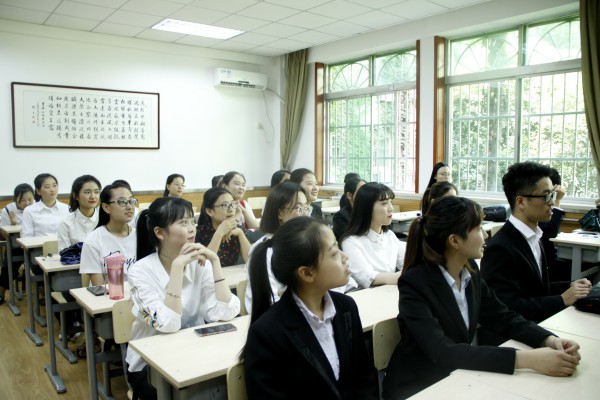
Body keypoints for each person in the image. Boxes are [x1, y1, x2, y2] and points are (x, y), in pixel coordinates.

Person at [382, 196, 582, 399]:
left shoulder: (469, 271)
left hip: (458, 376)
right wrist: (528, 360)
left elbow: (502, 317)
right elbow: (442, 351)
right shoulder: (415, 283)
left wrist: (548, 340)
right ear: (455, 241)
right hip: (419, 387)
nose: (486, 235)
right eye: (478, 229)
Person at [242, 217, 379, 400]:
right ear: (307, 273)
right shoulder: (267, 333)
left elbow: (364, 378)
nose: (344, 256)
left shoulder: (346, 307)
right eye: (334, 253)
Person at [126, 197, 240, 400]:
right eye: (183, 222)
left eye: (192, 221)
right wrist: (178, 267)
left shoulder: (200, 263)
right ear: (160, 233)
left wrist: (215, 262)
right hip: (149, 365)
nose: (191, 228)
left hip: (194, 352)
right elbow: (168, 324)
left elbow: (225, 313)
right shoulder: (139, 272)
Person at [480, 162, 591, 341]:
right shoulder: (500, 248)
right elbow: (507, 308)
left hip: (536, 326)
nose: (552, 202)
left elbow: (535, 289)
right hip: (510, 339)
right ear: (521, 201)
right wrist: (562, 299)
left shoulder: (534, 236)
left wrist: (570, 286)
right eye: (546, 196)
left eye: (553, 195)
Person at [244, 181, 310, 313]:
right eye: (298, 208)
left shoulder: (309, 242)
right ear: (279, 213)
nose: (305, 214)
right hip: (282, 319)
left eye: (306, 208)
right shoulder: (264, 251)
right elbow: (267, 303)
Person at [340, 182, 406, 289]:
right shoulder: (351, 242)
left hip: (389, 291)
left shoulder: (389, 236)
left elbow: (407, 263)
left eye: (391, 202)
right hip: (366, 295)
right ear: (367, 208)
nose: (391, 208)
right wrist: (400, 276)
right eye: (384, 204)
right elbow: (367, 277)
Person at [79, 181, 137, 286]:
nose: (129, 206)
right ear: (106, 207)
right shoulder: (93, 240)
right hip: (109, 295)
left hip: (139, 294)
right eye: (122, 202)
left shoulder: (140, 236)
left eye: (131, 201)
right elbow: (100, 288)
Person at [196, 187, 251, 266]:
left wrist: (240, 233)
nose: (231, 209)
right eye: (224, 205)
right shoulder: (200, 232)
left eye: (232, 204)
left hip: (231, 273)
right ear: (210, 211)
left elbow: (251, 261)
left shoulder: (238, 229)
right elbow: (205, 265)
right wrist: (219, 232)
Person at [0, 183, 34, 305]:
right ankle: (1, 292)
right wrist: (12, 224)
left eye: (30, 199)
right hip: (16, 246)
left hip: (34, 245)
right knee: (9, 265)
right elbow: (3, 235)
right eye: (23, 200)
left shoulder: (37, 208)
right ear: (15, 199)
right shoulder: (8, 210)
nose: (27, 203)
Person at [57, 175, 102, 251]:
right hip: (76, 259)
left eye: (96, 192)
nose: (93, 196)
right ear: (76, 196)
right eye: (87, 192)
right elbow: (65, 253)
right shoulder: (66, 222)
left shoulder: (106, 219)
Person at [539, 168, 568, 281]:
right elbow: (550, 232)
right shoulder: (537, 207)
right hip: (545, 263)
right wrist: (557, 201)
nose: (550, 201)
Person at [21, 173, 69, 238]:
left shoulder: (66, 209)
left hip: (62, 244)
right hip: (38, 244)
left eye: (54, 185)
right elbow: (27, 237)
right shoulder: (29, 210)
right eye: (47, 187)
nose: (52, 190)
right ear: (38, 191)